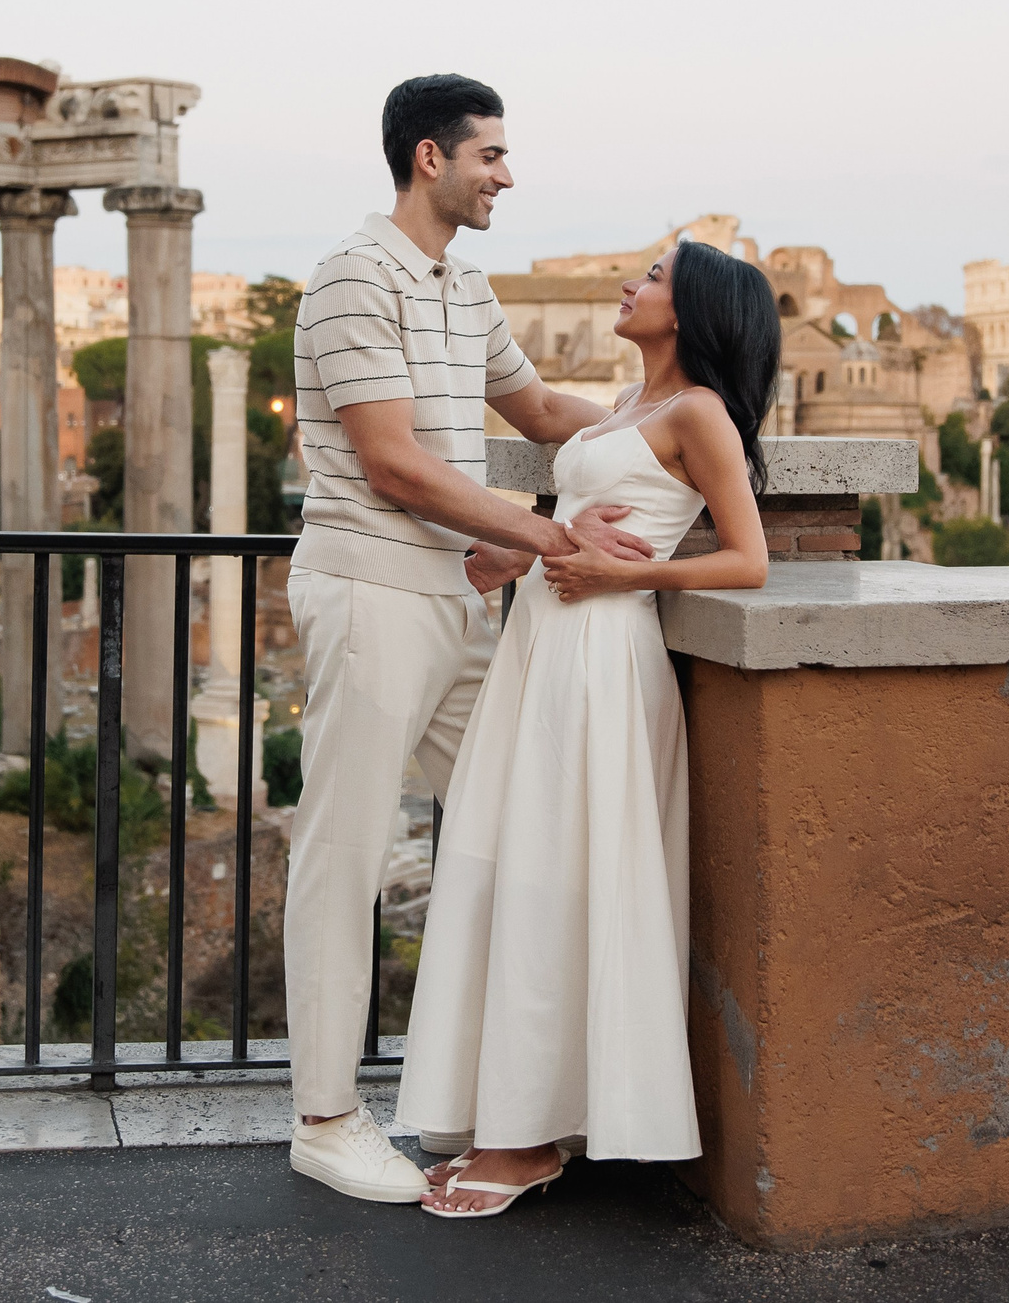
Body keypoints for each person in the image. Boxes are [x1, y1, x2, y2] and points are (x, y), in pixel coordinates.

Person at [284, 74, 650, 1202]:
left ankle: (516, 1096)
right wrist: (544, 531)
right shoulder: (354, 275)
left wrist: (679, 427)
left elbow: (537, 414)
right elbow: (394, 462)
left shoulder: (462, 283)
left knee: (514, 825)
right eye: (490, 153)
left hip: (454, 597)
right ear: (429, 159)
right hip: (369, 591)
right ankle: (326, 1118)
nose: (506, 173)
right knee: (343, 857)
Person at [399, 238, 781, 1219]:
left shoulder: (698, 415)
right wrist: (519, 556)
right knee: (520, 869)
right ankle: (520, 1123)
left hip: (605, 663)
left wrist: (630, 574)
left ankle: (526, 1141)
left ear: (693, 310)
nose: (628, 283)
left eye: (651, 277)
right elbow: (537, 437)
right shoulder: (624, 406)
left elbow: (748, 561)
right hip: (544, 650)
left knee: (556, 874)